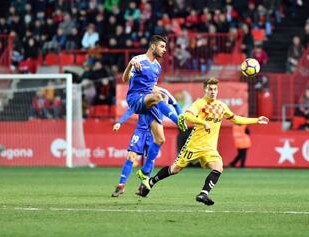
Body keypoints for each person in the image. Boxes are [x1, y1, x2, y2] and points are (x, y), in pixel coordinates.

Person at [136, 78, 269, 206]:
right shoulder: (199, 103)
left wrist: (256, 120)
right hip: (193, 145)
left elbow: (236, 119)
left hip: (209, 148)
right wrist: (202, 122)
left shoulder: (221, 106)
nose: (213, 91)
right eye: (210, 89)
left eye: (215, 89)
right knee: (175, 169)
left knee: (218, 167)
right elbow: (187, 116)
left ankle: (203, 194)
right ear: (205, 90)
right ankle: (151, 182)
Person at [123, 35, 187, 189]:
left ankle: (144, 173)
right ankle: (176, 120)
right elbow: (125, 79)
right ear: (153, 46)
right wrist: (130, 65)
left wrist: (163, 95)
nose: (164, 50)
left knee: (160, 139)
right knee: (158, 97)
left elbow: (152, 87)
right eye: (162, 47)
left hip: (148, 101)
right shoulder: (138, 60)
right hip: (135, 99)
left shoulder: (157, 67)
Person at [111, 86, 183, 197]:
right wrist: (119, 122)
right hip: (141, 129)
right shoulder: (143, 92)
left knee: (151, 159)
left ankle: (142, 187)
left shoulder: (164, 93)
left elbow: (176, 105)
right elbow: (132, 109)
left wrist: (181, 118)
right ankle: (121, 185)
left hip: (153, 130)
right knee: (131, 156)